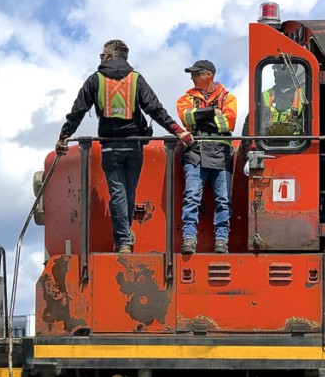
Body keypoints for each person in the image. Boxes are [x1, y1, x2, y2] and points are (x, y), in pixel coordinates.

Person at [56, 39, 193, 254]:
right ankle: (125, 236)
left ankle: (123, 241)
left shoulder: (95, 80)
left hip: (110, 146)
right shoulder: (136, 80)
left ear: (110, 56)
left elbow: (78, 111)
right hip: (134, 145)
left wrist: (64, 136)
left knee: (117, 193)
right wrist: (178, 130)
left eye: (102, 55)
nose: (100, 59)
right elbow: (155, 109)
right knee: (129, 193)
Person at [177, 59, 237, 254]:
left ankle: (221, 241)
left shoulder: (228, 98)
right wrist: (213, 112)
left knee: (223, 200)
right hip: (195, 154)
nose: (192, 77)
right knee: (192, 197)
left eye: (196, 73)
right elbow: (187, 119)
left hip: (221, 155)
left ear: (208, 75)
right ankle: (189, 239)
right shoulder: (185, 97)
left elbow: (228, 124)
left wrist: (200, 118)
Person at [261, 62, 307, 137]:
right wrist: (247, 146)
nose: (276, 71)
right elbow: (250, 123)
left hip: (296, 146)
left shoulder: (305, 98)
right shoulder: (263, 96)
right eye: (275, 68)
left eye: (280, 67)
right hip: (267, 145)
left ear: (293, 70)